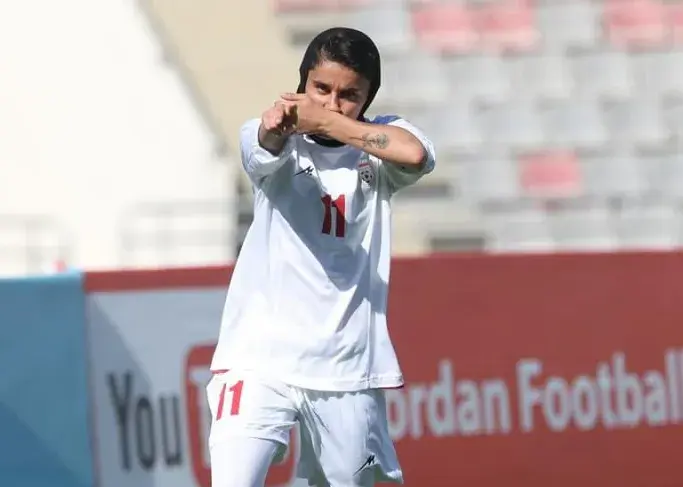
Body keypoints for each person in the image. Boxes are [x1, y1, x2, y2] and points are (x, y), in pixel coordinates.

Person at [206, 26, 436, 487]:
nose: (332, 103)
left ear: (368, 99)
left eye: (349, 95)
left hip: (345, 370)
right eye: (321, 88)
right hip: (259, 359)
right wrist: (279, 127)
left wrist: (329, 125)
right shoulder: (270, 134)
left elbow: (413, 154)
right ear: (302, 83)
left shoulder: (380, 144)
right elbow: (262, 146)